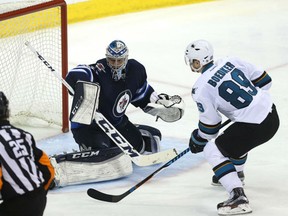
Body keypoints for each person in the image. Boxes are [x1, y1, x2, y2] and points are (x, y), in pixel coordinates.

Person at [49, 39, 184, 188]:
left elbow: (143, 94)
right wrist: (80, 83)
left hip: (117, 123)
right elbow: (80, 72)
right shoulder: (100, 70)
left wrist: (158, 102)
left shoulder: (135, 71)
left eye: (119, 61)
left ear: (126, 59)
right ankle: (88, 147)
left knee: (142, 145)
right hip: (89, 127)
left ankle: (131, 136)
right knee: (107, 153)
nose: (115, 64)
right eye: (111, 60)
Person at [184, 39, 279, 215]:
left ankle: (238, 197)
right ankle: (237, 174)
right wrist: (247, 106)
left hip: (255, 126)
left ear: (196, 62)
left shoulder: (200, 88)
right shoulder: (230, 60)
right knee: (235, 139)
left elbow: (210, 128)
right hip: (272, 115)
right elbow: (266, 81)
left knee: (212, 150)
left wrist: (198, 138)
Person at [0, 91, 55, 216]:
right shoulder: (23, 135)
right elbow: (47, 169)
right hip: (39, 197)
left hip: (16, 204)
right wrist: (38, 193)